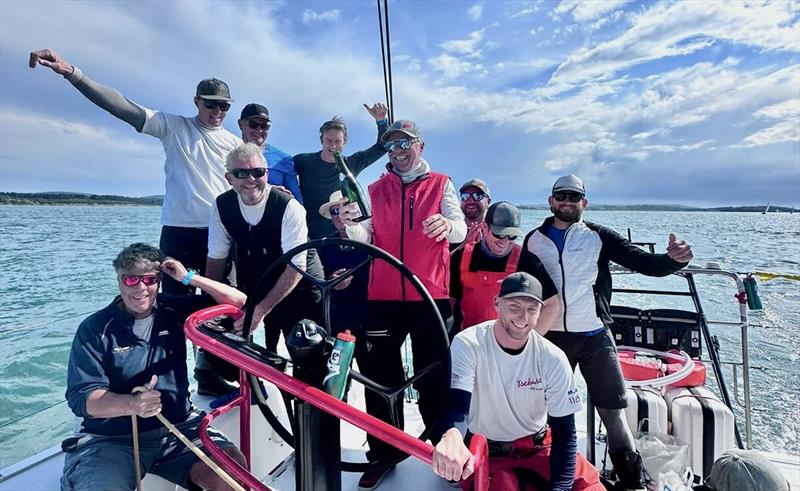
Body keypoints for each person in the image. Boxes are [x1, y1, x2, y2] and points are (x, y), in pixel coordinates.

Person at [523, 175, 694, 490]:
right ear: (550, 201)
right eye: (561, 196)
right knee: (541, 416)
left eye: (574, 197)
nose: (567, 201)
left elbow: (645, 263)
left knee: (614, 414)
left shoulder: (598, 237)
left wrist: (673, 260)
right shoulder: (533, 240)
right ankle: (551, 478)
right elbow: (521, 289)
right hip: (550, 339)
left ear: (584, 203)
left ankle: (631, 484)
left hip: (594, 336)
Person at [29, 49, 241, 294]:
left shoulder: (235, 144)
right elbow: (120, 106)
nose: (217, 111)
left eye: (223, 106)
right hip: (178, 231)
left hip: (219, 231)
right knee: (172, 304)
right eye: (210, 104)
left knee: (220, 303)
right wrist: (72, 73)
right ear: (196, 101)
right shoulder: (173, 127)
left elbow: (247, 186)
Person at [341, 119, 467, 490]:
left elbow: (458, 227)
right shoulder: (374, 188)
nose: (397, 151)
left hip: (430, 296)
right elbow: (366, 234)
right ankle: (383, 452)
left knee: (434, 376)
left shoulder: (441, 184)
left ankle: (442, 450)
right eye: (391, 146)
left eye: (404, 144)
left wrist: (446, 224)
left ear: (420, 146)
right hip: (382, 297)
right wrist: (348, 226)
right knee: (379, 377)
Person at [62, 243, 247, 491]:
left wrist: (188, 277)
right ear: (119, 281)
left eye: (149, 280)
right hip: (110, 441)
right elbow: (82, 399)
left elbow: (237, 301)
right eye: (131, 280)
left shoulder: (171, 309)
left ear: (159, 281)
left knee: (233, 477)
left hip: (179, 429)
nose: (141, 288)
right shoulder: (95, 329)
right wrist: (132, 404)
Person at [432, 272, 604, 491]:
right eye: (514, 307)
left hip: (538, 447)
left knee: (591, 486)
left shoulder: (553, 357)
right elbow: (458, 405)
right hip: (487, 453)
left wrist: (560, 489)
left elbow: (564, 433)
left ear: (540, 311)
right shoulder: (468, 344)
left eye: (532, 309)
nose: (523, 318)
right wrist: (453, 434)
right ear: (497, 303)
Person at [206, 143, 323, 353]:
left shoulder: (290, 206)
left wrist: (259, 311)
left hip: (301, 283)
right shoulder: (221, 206)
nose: (250, 179)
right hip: (259, 278)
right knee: (232, 349)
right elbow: (216, 259)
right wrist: (214, 305)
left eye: (257, 172)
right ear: (229, 178)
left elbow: (296, 267)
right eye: (241, 173)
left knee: (306, 355)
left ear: (266, 174)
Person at [450, 201, 559, 333]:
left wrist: (528, 342)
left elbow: (552, 305)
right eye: (499, 234)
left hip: (507, 345)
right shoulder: (461, 257)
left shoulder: (528, 261)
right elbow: (450, 303)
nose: (505, 241)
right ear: (485, 227)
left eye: (511, 235)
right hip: (468, 342)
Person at [293, 104, 389, 244]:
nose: (333, 146)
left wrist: (381, 121)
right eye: (328, 141)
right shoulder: (303, 161)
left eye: (337, 141)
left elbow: (381, 147)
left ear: (345, 142)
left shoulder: (352, 164)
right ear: (322, 141)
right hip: (308, 235)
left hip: (341, 236)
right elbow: (279, 169)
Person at [318, 191, 370, 336]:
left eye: (345, 210)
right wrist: (331, 282)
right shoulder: (324, 245)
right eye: (335, 211)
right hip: (338, 319)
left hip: (371, 316)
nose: (339, 215)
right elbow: (317, 280)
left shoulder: (374, 239)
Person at [237, 103, 303, 201]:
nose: (259, 130)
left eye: (264, 126)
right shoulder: (228, 153)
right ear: (240, 124)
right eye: (253, 124)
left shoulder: (284, 159)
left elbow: (296, 200)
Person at [455, 178, 492, 249]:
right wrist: (464, 245)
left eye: (477, 195)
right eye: (465, 196)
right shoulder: (453, 229)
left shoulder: (495, 233)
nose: (471, 201)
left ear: (488, 202)